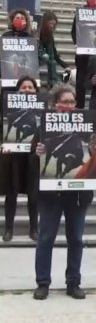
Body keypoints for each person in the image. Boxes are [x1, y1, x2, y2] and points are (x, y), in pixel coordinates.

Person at [32, 85, 96, 300]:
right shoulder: (43, 128)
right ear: (55, 105)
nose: (70, 105)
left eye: (73, 102)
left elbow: (93, 163)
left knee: (76, 239)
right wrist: (37, 153)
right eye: (66, 102)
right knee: (46, 238)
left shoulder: (86, 128)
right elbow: (32, 164)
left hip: (77, 193)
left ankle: (73, 282)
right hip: (51, 194)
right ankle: (43, 283)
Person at [0, 76, 40, 242]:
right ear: (17, 90)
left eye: (30, 87)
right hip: (13, 155)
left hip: (33, 156)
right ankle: (9, 228)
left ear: (36, 91)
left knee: (33, 194)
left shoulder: (41, 108)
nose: (27, 90)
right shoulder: (8, 108)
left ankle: (34, 229)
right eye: (23, 87)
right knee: (12, 192)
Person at [71, 0, 96, 109]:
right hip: (83, 53)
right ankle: (79, 107)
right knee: (80, 82)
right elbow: (74, 31)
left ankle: (94, 109)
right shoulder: (81, 12)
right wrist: (78, 43)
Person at [38, 11, 70, 88]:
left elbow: (54, 53)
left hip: (45, 57)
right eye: (50, 24)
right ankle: (52, 81)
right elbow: (37, 48)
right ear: (45, 24)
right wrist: (43, 54)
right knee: (48, 57)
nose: (52, 26)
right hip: (35, 55)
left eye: (54, 24)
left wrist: (65, 65)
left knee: (51, 58)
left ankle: (53, 82)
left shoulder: (49, 36)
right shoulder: (37, 33)